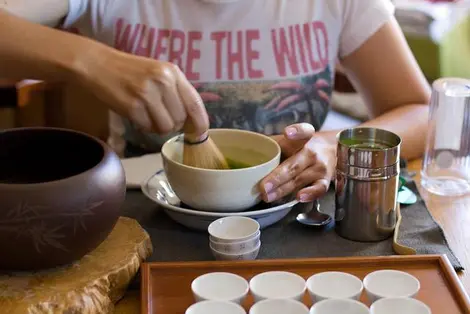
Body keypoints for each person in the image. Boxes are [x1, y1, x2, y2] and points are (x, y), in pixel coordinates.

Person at [0, 0, 430, 205]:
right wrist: (89, 60)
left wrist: (340, 144)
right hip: (142, 213)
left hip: (292, 213)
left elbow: (421, 109)